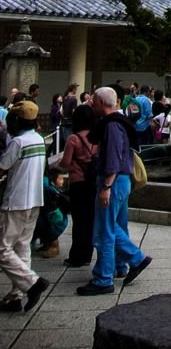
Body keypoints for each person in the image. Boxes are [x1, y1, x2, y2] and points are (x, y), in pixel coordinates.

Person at [75, 86, 152, 296]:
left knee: (103, 229)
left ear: (101, 103)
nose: (91, 104)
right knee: (117, 224)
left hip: (114, 181)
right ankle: (121, 265)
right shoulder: (120, 121)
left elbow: (113, 157)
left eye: (93, 101)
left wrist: (106, 186)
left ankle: (105, 277)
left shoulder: (112, 126)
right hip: (121, 180)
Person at [0, 100, 49, 313]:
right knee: (22, 246)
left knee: (2, 249)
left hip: (15, 202)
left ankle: (31, 283)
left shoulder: (18, 142)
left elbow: (2, 168)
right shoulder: (38, 139)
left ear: (17, 120)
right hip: (35, 200)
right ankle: (15, 296)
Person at [56, 103, 98, 267]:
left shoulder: (73, 139)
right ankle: (88, 254)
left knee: (79, 221)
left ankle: (77, 256)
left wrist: (58, 164)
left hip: (78, 182)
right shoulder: (96, 137)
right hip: (93, 183)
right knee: (90, 219)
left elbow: (65, 163)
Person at [33, 167, 69, 259]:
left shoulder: (52, 189)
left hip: (55, 218)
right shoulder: (50, 187)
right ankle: (48, 244)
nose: (62, 181)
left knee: (47, 226)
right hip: (50, 215)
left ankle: (53, 246)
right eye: (60, 179)